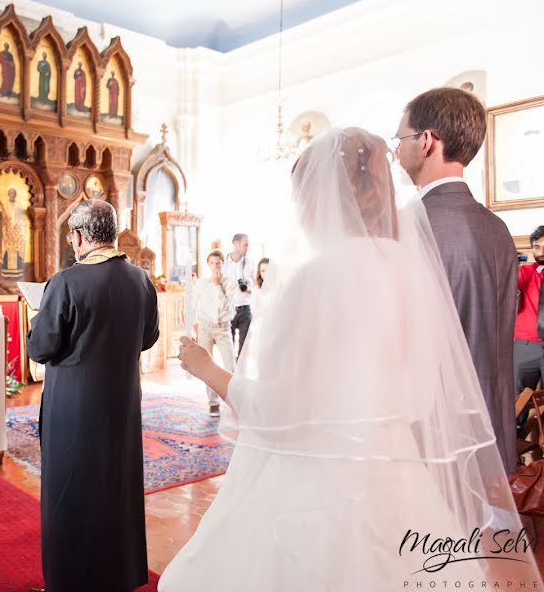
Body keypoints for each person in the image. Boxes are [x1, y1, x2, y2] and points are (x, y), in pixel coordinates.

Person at [159, 127, 539, 590]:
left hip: (318, 484)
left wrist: (206, 368)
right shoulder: (411, 269)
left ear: (322, 199)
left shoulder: (317, 278)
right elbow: (420, 392)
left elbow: (279, 409)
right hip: (397, 474)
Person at [27, 199, 159, 592]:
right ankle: (116, 578)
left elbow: (41, 347)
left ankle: (69, 583)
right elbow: (148, 337)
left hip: (73, 414)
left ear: (81, 237)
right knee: (115, 489)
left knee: (70, 495)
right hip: (120, 409)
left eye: (72, 237)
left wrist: (38, 315)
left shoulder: (65, 283)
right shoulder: (141, 279)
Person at [395, 87, 518, 472]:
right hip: (490, 427)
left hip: (435, 437)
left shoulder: (409, 226)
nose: (397, 150)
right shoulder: (498, 228)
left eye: (401, 139)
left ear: (426, 141)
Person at [190, 250, 236, 417]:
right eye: (212, 263)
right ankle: (213, 403)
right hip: (205, 328)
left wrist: (217, 285)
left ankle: (233, 401)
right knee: (207, 366)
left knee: (230, 366)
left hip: (223, 328)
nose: (216, 266)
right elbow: (194, 304)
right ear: (208, 265)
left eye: (218, 263)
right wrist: (194, 325)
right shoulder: (201, 283)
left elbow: (226, 306)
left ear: (223, 264)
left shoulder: (230, 283)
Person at [514, 225, 544, 394]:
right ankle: (517, 422)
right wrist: (510, 266)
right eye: (537, 247)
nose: (541, 252)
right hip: (524, 345)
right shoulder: (523, 272)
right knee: (518, 400)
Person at [224, 233, 255, 356]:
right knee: (228, 346)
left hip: (245, 309)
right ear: (236, 244)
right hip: (228, 309)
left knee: (244, 346)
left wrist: (247, 288)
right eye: (245, 244)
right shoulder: (223, 263)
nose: (247, 247)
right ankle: (231, 372)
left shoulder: (250, 263)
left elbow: (257, 286)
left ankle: (240, 372)